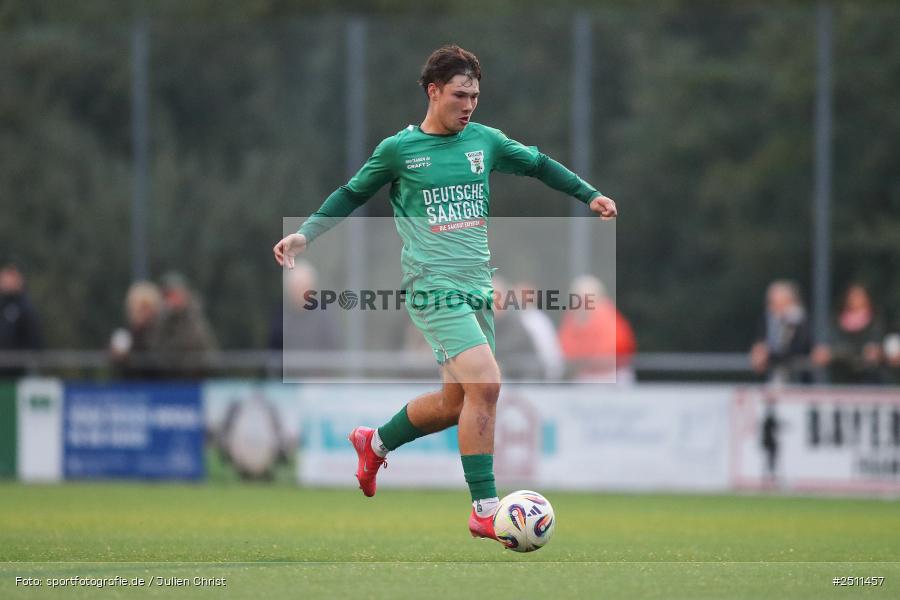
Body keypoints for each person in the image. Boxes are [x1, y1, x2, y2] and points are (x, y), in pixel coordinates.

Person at [273, 45, 617, 545]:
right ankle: (484, 509)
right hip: (432, 290)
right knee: (489, 385)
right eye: (460, 94)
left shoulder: (485, 141)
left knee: (457, 402)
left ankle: (375, 441)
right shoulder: (399, 150)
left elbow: (540, 164)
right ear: (433, 92)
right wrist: (306, 233)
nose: (469, 104)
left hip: (477, 290)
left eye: (475, 95)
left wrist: (589, 193)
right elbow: (351, 193)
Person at [558, 275, 636, 383]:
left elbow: (610, 350)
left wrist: (582, 358)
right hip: (584, 378)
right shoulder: (572, 318)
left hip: (610, 376)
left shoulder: (607, 316)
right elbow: (565, 348)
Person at [812, 283, 884, 384]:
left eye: (859, 296)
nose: (855, 299)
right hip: (839, 371)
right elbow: (830, 342)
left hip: (866, 373)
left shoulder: (875, 320)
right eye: (852, 296)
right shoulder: (837, 320)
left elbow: (876, 344)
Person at [155, 271, 219, 378]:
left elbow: (204, 350)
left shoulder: (195, 318)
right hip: (165, 380)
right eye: (167, 296)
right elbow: (155, 347)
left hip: (192, 379)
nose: (170, 300)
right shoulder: (160, 319)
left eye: (173, 294)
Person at [749, 280, 811, 384]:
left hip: (798, 378)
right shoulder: (767, 318)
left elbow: (796, 349)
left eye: (775, 303)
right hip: (773, 376)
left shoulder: (799, 321)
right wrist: (758, 349)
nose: (772, 306)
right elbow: (760, 339)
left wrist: (767, 357)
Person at [109, 281, 164, 379]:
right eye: (139, 307)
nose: (143, 312)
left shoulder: (161, 332)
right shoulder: (124, 334)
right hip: (131, 387)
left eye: (146, 307)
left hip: (158, 386)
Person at [0, 262, 42, 378]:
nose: (5, 282)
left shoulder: (25, 308)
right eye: (3, 279)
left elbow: (34, 338)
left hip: (19, 371)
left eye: (9, 279)